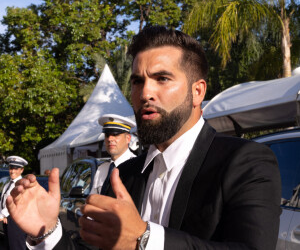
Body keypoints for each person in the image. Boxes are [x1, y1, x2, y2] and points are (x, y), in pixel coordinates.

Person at [7, 26, 281, 250]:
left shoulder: (245, 162)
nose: (145, 93)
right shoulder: (123, 175)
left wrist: (145, 237)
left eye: (162, 78)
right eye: (137, 81)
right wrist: (48, 232)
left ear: (197, 92)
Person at [89, 114, 136, 195]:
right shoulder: (101, 169)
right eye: (107, 135)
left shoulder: (137, 166)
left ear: (128, 138)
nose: (110, 139)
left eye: (115, 134)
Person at [0, 155, 28, 249]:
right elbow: (3, 201)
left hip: (16, 220)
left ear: (22, 170)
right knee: (8, 246)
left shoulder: (21, 184)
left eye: (16, 169)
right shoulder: (8, 184)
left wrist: (3, 215)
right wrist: (4, 215)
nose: (13, 171)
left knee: (17, 246)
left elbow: (15, 201)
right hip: (8, 219)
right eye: (11, 168)